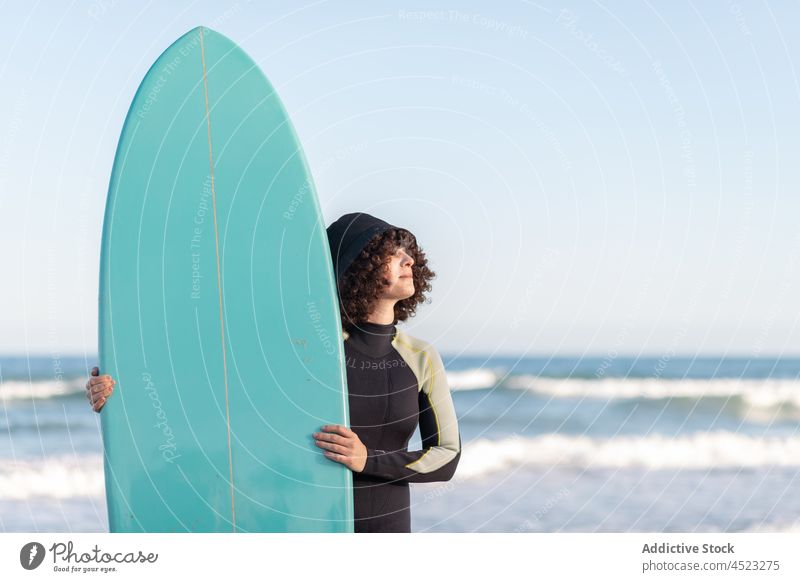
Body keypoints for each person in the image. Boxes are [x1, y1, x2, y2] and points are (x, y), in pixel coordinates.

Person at [86, 212, 461, 533]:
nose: (408, 260)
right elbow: (210, 397)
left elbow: (447, 456)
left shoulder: (420, 357)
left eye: (408, 253)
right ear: (356, 267)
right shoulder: (306, 350)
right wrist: (120, 391)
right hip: (305, 526)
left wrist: (368, 460)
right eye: (391, 254)